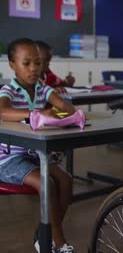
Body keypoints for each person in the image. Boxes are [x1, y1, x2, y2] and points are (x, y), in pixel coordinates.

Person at [0, 38, 76, 253]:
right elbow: (2, 111)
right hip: (8, 159)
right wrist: (35, 114)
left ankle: (46, 233)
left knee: (66, 180)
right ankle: (59, 241)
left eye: (38, 63)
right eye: (26, 63)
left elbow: (66, 107)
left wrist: (62, 108)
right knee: (46, 183)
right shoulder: (9, 90)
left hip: (34, 154)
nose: (34, 68)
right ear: (12, 65)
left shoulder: (42, 88)